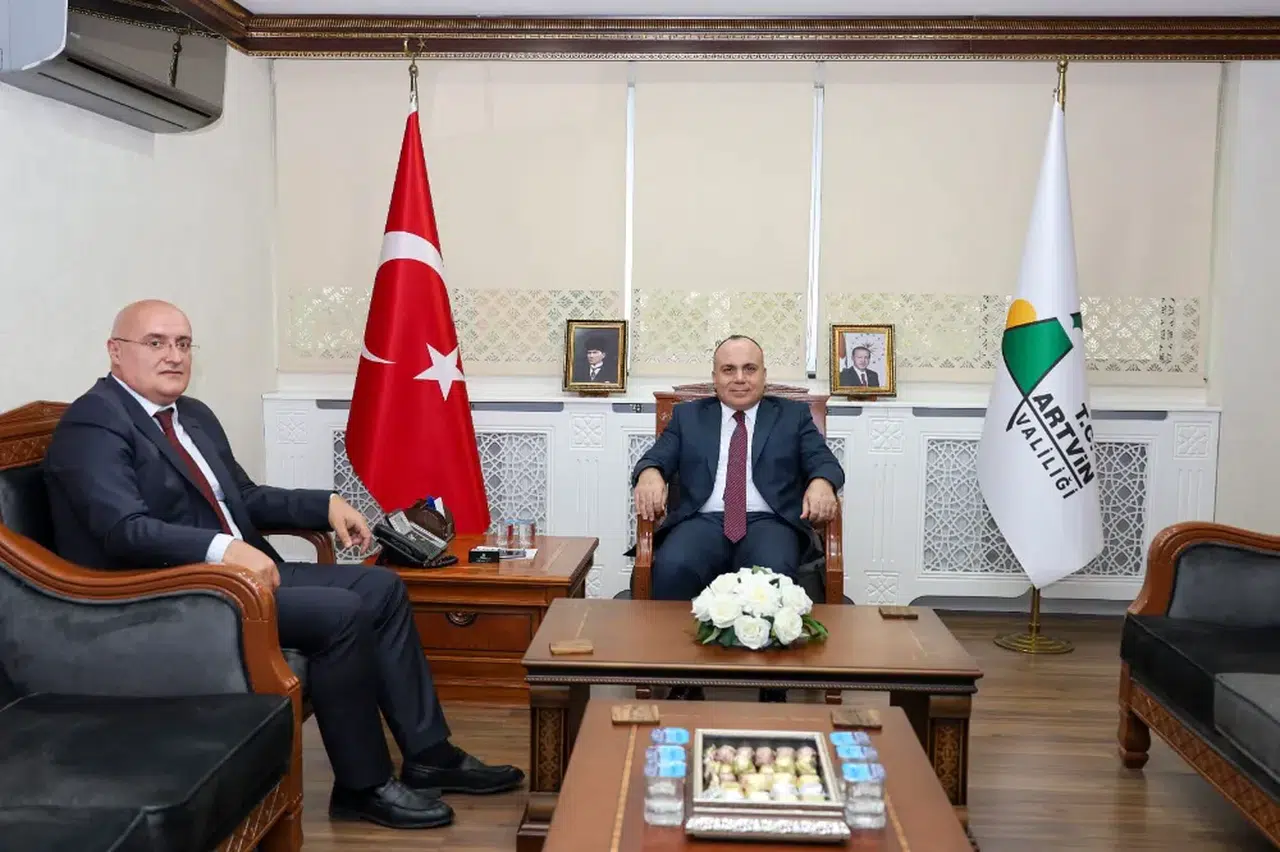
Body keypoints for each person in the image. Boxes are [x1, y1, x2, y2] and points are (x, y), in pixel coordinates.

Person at [42, 300, 524, 831]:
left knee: (381, 589)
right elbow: (123, 530)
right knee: (340, 613)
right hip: (169, 596)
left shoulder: (191, 415)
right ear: (116, 351)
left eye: (182, 343)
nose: (174, 356)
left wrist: (323, 504)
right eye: (156, 343)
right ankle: (362, 785)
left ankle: (430, 754)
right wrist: (223, 550)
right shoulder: (95, 422)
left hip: (240, 577)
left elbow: (243, 497)